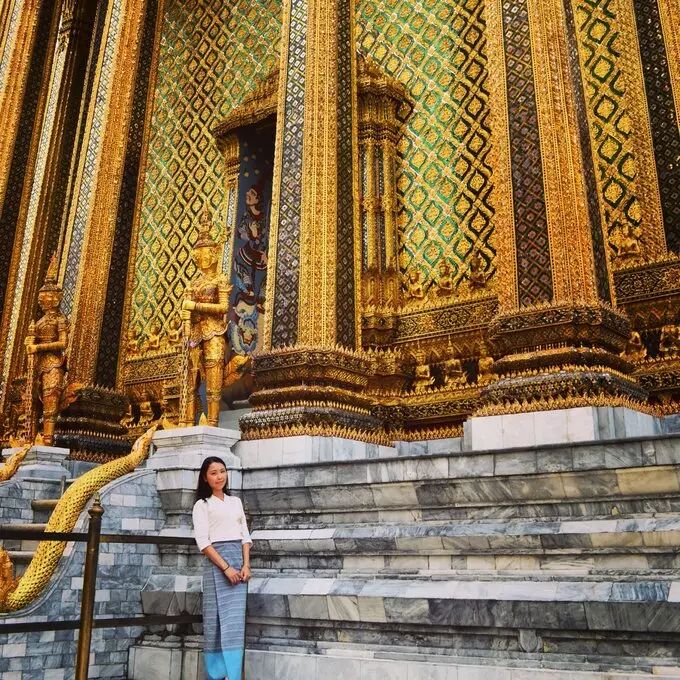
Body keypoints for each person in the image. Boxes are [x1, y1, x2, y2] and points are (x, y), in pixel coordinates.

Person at [192, 456, 253, 680]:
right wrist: (226, 568)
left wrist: (245, 565)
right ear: (205, 478)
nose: (219, 476)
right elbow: (203, 543)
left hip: (239, 564)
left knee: (234, 623)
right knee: (215, 620)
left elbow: (245, 536)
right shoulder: (202, 505)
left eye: (222, 471)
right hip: (216, 565)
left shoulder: (235, 502)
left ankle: (233, 675)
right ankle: (216, 674)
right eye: (213, 473)